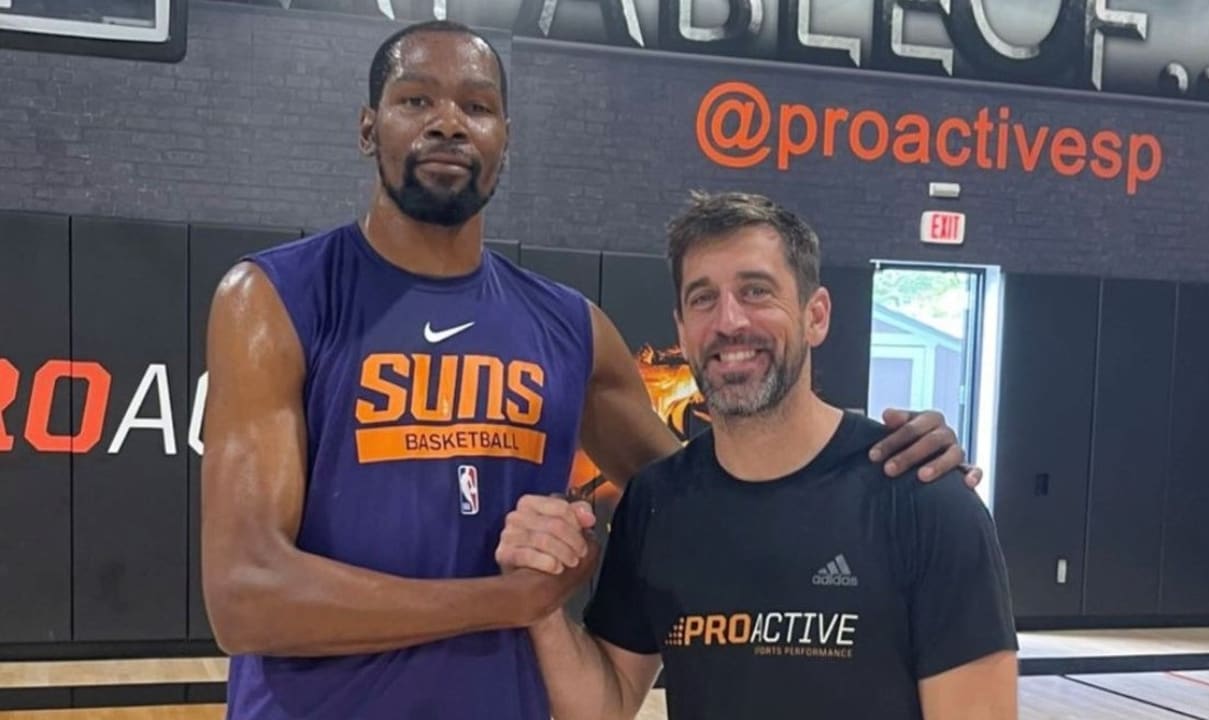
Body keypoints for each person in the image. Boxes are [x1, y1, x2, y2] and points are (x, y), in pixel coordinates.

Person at [199, 19, 980, 720]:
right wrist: (503, 601)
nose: (447, 122)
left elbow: (715, 495)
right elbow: (245, 600)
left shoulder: (568, 327)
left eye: (476, 106)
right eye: (415, 100)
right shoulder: (275, 299)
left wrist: (881, 468)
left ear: (506, 135)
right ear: (369, 127)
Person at [495, 191, 1019, 720]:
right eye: (703, 298)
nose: (729, 321)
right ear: (681, 330)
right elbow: (603, 706)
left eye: (756, 291)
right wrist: (539, 601)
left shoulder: (922, 498)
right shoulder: (656, 502)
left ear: (815, 316)